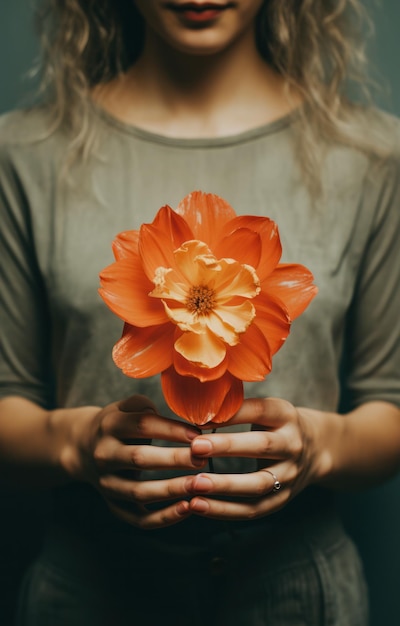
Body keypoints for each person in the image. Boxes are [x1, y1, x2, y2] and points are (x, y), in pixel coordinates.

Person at [1, 1, 399, 624]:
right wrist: (78, 444)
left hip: (299, 596)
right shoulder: (22, 155)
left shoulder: (374, 158)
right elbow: (8, 402)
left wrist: (319, 447)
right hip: (86, 593)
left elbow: (389, 408)